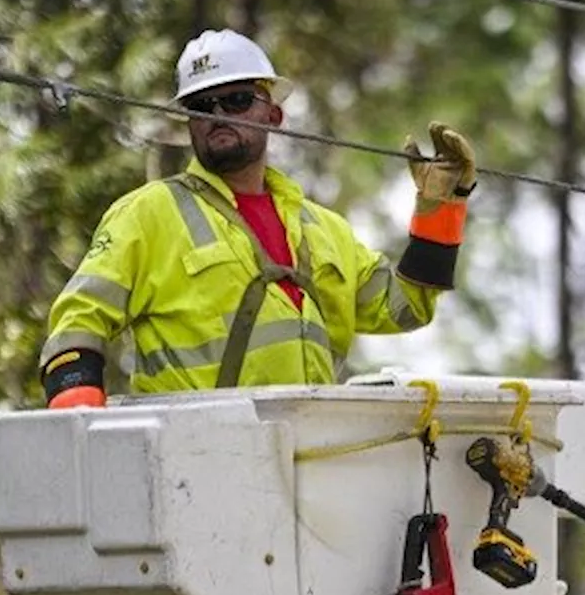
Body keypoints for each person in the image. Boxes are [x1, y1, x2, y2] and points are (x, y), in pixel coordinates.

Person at [39, 28, 478, 408]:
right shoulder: (147, 216)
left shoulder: (324, 230)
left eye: (236, 100)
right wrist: (78, 420)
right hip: (197, 462)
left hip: (312, 459)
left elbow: (405, 308)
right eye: (200, 105)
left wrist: (440, 206)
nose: (217, 116)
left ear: (275, 114)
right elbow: (79, 322)